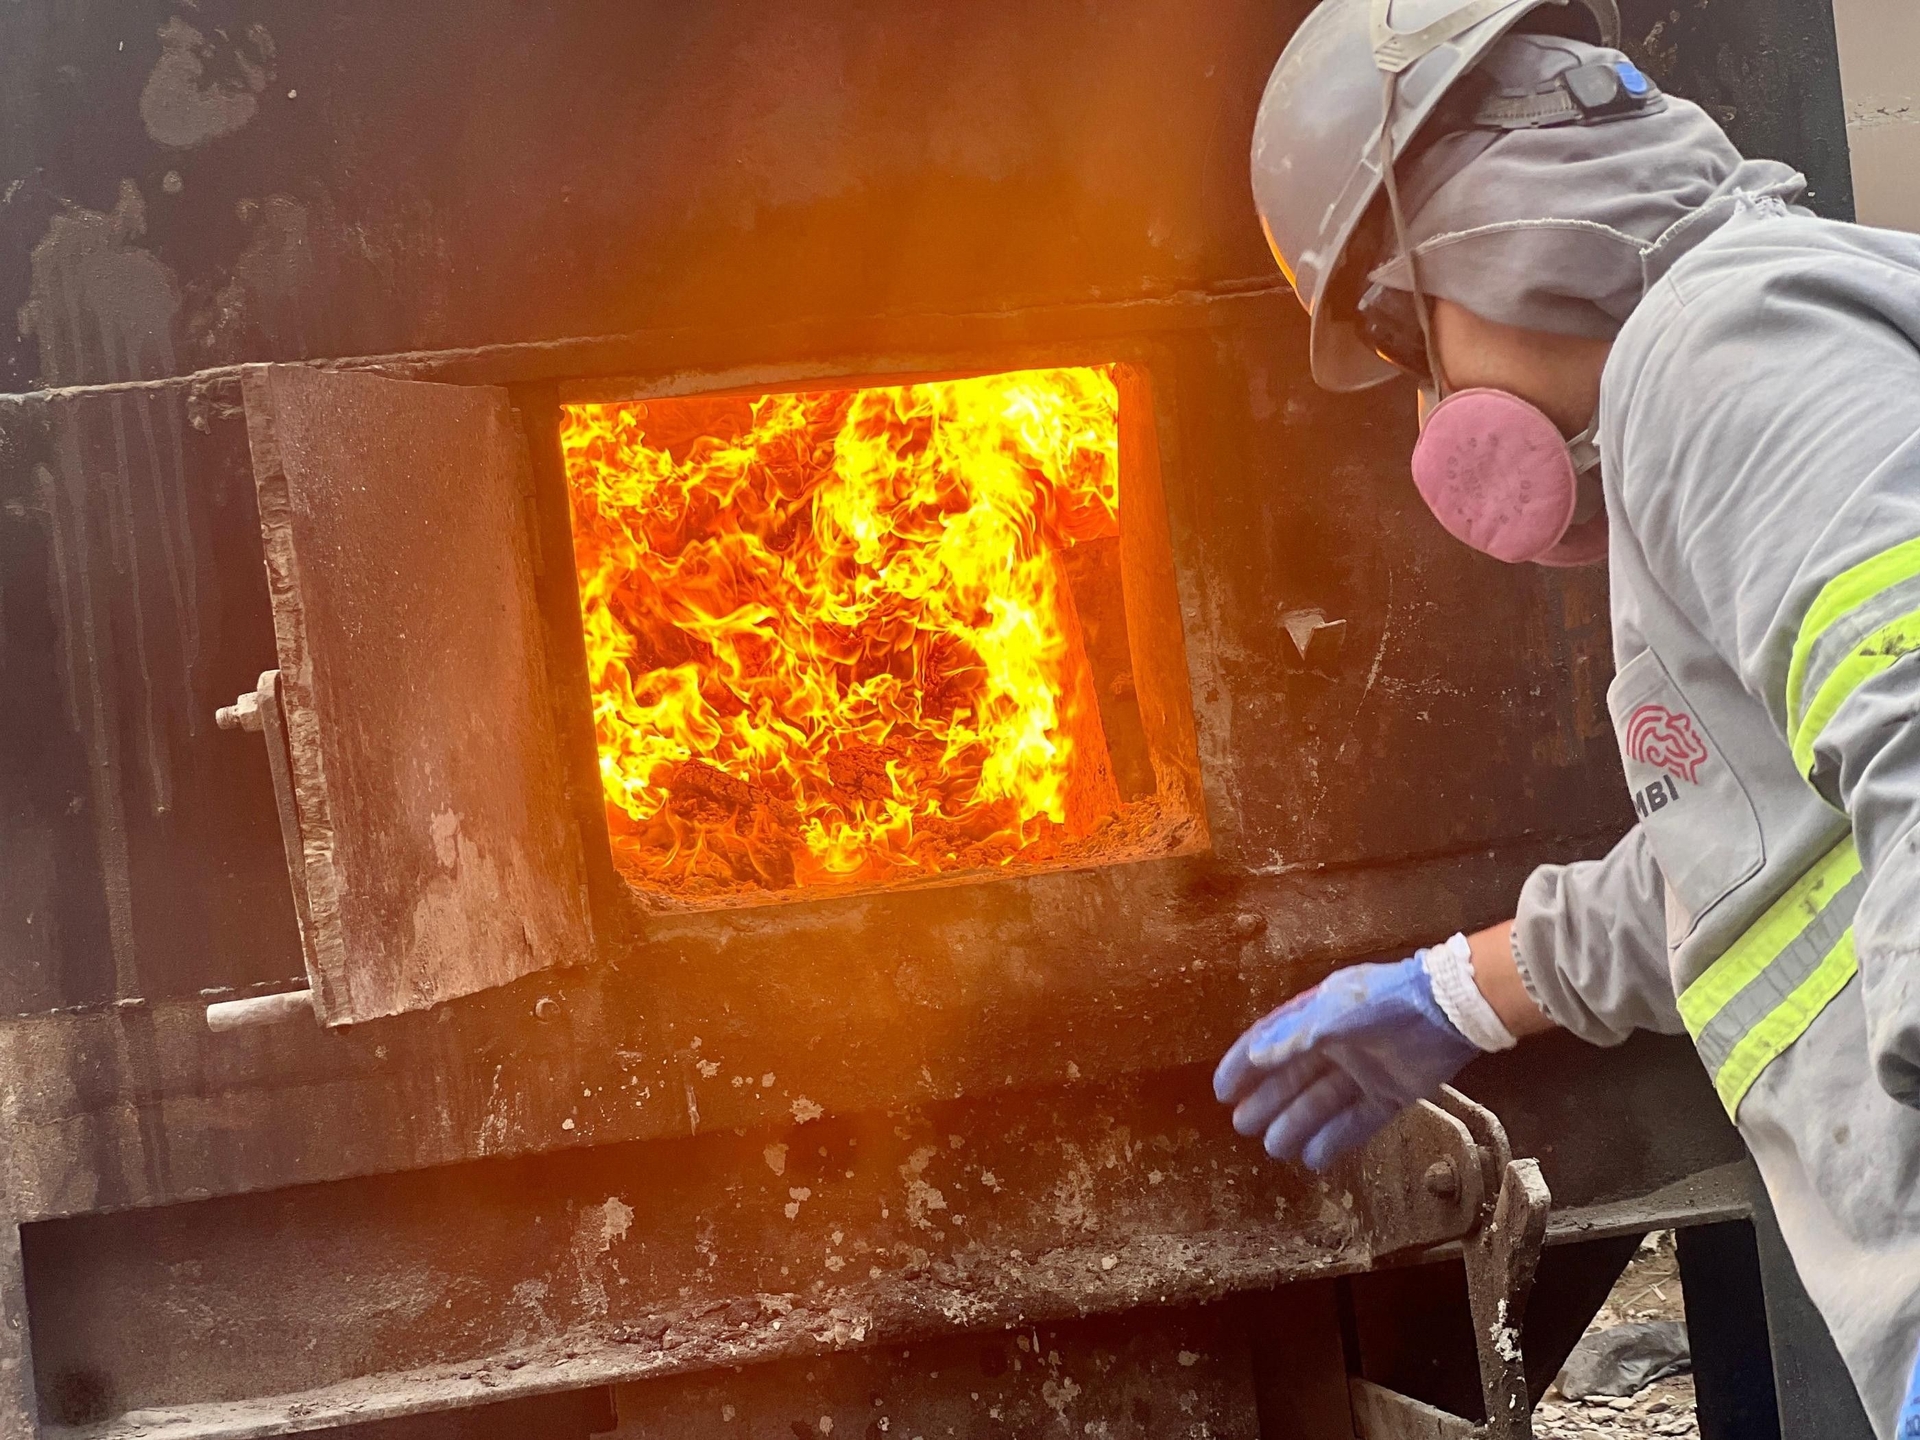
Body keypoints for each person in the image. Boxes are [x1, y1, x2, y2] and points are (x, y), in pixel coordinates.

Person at [1212, 0, 1920, 1432]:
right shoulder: (1729, 353)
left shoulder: (1717, 353)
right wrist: (1457, 993)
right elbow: (1760, 870)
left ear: (1466, 264)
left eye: (1410, 357)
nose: (1431, 417)